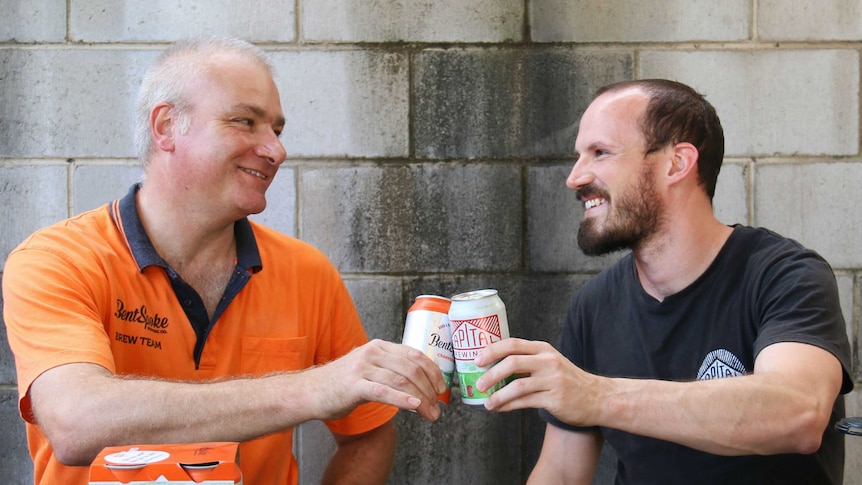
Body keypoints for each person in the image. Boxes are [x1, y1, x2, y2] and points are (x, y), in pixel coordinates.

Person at [2, 36, 445, 485]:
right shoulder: (58, 261)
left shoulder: (307, 273)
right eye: (245, 121)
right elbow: (77, 423)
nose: (276, 150)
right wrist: (314, 388)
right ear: (167, 126)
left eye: (276, 129)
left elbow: (368, 434)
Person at [473, 79, 853, 484]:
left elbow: (798, 414)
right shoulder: (595, 305)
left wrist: (597, 396)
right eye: (580, 155)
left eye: (600, 153)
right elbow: (562, 472)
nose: (575, 177)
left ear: (676, 163)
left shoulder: (783, 275)